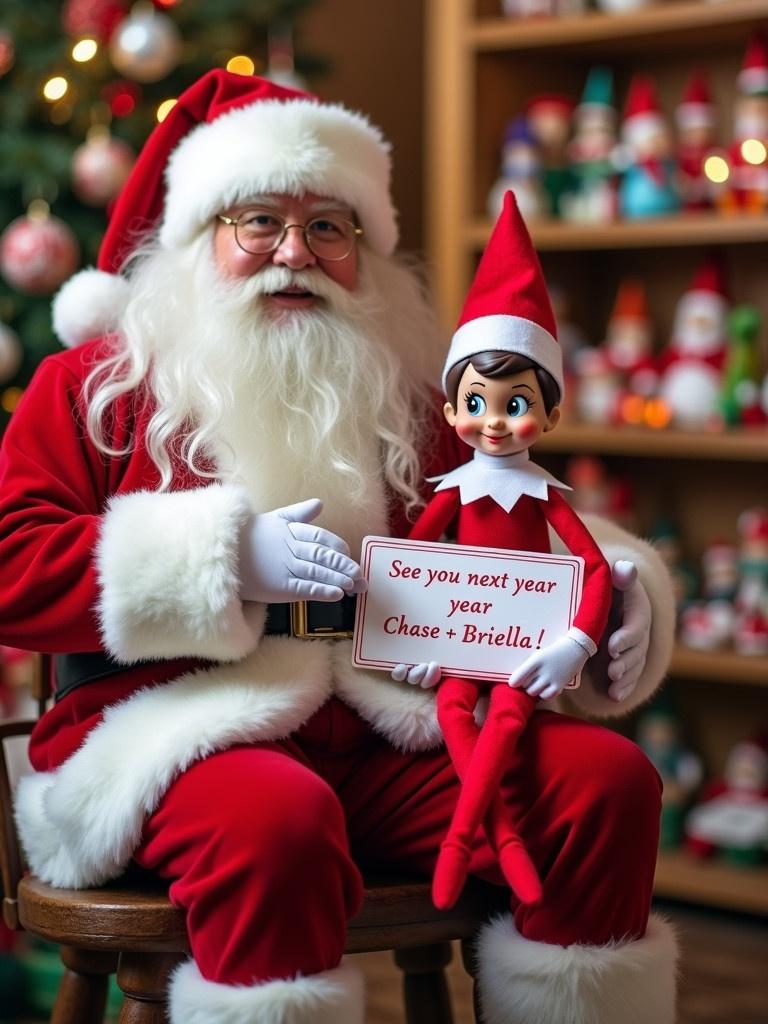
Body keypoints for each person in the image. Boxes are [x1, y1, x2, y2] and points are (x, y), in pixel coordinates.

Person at [0, 70, 677, 1024]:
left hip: (393, 732)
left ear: (367, 251)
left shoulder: (410, 393)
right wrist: (217, 563)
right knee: (278, 822)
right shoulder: (91, 389)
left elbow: (509, 528)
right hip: (176, 734)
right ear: (197, 240)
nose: (296, 252)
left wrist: (613, 584)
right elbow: (10, 559)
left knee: (606, 788)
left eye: (330, 226)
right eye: (259, 221)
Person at [400, 192, 612, 913]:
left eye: (515, 404)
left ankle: (466, 839)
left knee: (512, 716)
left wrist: (577, 643)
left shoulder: (546, 495)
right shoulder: (452, 491)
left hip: (525, 644)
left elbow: (595, 568)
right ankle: (502, 837)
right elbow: (412, 561)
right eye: (479, 402)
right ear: (453, 409)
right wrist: (408, 630)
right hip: (463, 644)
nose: (495, 421)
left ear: (550, 413)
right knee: (456, 712)